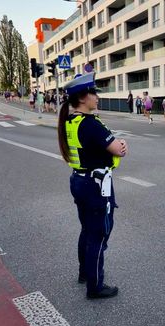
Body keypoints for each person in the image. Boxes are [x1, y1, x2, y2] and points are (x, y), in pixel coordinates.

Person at [58, 73, 128, 299]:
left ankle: (85, 273)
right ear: (82, 97)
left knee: (87, 229)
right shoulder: (91, 124)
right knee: (99, 233)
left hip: (79, 181)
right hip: (96, 185)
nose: (97, 97)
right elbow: (118, 149)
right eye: (94, 92)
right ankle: (95, 286)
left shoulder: (71, 121)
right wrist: (122, 145)